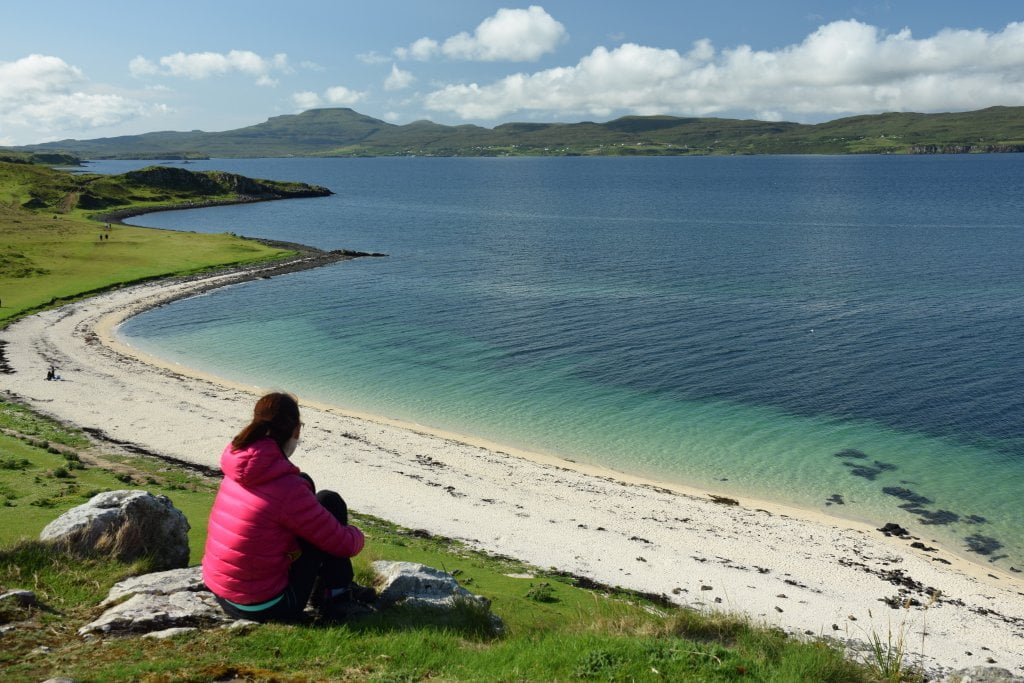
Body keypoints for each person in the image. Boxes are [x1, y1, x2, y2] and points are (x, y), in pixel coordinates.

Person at [202, 392, 370, 621]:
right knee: (329, 501)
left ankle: (337, 587)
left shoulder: (239, 468)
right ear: (296, 430)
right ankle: (338, 596)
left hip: (223, 592)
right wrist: (358, 535)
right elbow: (344, 544)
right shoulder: (287, 488)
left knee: (311, 494)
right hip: (267, 606)